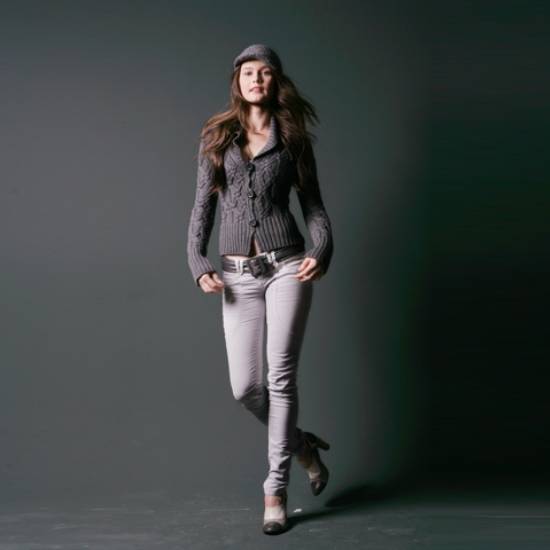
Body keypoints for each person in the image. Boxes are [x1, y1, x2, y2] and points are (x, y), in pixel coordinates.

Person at [186, 44, 334, 535]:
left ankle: (275, 489)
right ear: (238, 80)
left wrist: (322, 247)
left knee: (281, 378)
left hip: (287, 265)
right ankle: (302, 446)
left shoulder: (293, 139)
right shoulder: (216, 136)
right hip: (237, 275)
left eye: (265, 72)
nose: (257, 79)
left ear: (275, 82)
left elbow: (313, 206)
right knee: (246, 388)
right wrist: (197, 261)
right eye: (249, 72)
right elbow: (202, 209)